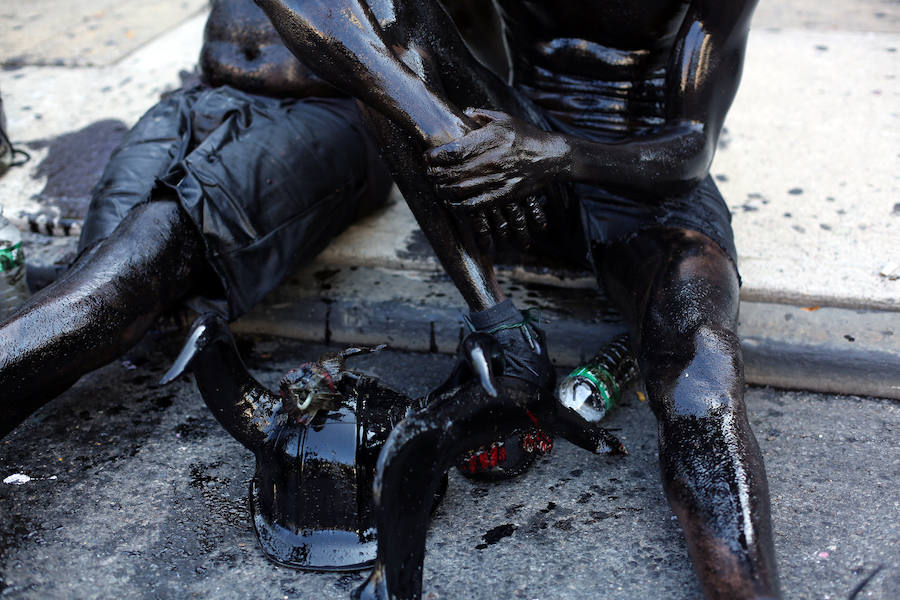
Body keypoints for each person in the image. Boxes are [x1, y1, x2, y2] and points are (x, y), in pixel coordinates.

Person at [253, 0, 779, 598]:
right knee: (391, 38)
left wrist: (557, 156)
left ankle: (748, 588)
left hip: (645, 190)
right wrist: (445, 130)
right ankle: (501, 330)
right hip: (509, 168)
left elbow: (691, 148)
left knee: (701, 368)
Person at [0, 0, 392, 439]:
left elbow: (454, 48)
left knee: (138, 264)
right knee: (103, 266)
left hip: (326, 109)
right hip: (203, 92)